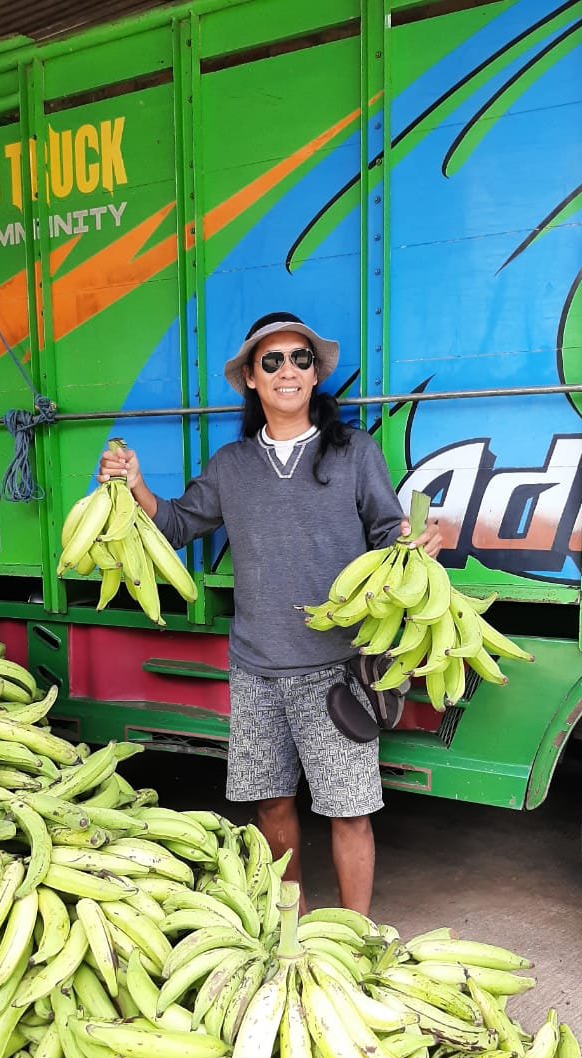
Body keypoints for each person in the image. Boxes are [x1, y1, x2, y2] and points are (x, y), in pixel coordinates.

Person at [97, 311, 441, 915]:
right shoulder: (232, 465)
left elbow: (390, 533)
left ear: (314, 376)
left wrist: (419, 542)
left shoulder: (352, 452)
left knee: (350, 808)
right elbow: (176, 524)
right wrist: (133, 483)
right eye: (272, 361)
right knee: (271, 804)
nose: (288, 371)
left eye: (300, 359)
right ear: (252, 380)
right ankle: (293, 925)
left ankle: (354, 937)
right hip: (256, 668)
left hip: (339, 666)